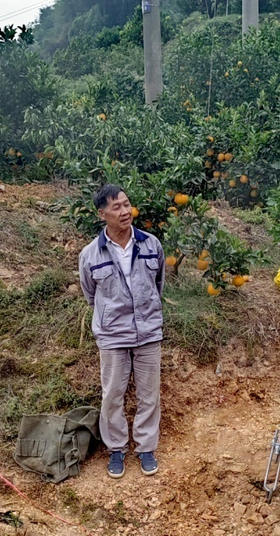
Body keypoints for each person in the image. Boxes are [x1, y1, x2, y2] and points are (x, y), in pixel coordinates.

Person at [78, 184, 165, 479]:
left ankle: (145, 448)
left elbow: (158, 286)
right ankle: (116, 448)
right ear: (102, 213)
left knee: (149, 395)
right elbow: (90, 294)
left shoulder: (151, 245)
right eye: (116, 207)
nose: (125, 211)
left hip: (148, 332)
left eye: (127, 204)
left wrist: (148, 315)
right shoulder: (90, 254)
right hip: (112, 335)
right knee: (113, 395)